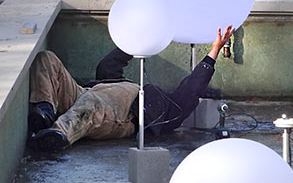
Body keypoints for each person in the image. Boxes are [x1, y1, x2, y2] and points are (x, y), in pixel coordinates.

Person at [28, 26, 234, 151]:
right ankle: (44, 110)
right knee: (47, 58)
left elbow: (191, 88)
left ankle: (56, 135)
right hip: (87, 92)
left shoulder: (169, 107)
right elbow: (107, 67)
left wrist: (214, 50)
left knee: (90, 106)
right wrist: (138, 39)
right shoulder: (128, 84)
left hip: (121, 113)